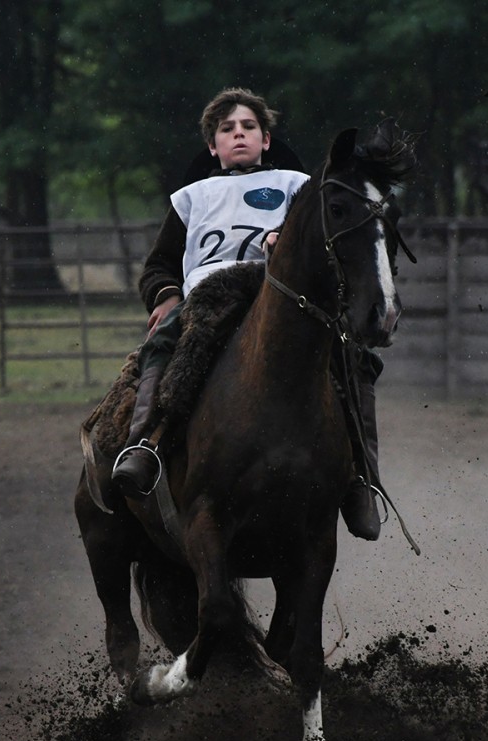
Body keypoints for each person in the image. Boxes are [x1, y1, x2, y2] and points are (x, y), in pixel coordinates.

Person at [111, 87, 384, 540]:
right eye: (227, 129)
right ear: (213, 145)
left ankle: (360, 478)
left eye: (249, 127)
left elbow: (323, 244)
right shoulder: (191, 197)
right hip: (208, 296)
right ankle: (146, 444)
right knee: (164, 344)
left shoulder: (297, 187)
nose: (239, 134)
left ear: (266, 139)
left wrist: (286, 245)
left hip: (282, 295)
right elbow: (160, 263)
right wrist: (164, 296)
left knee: (353, 358)